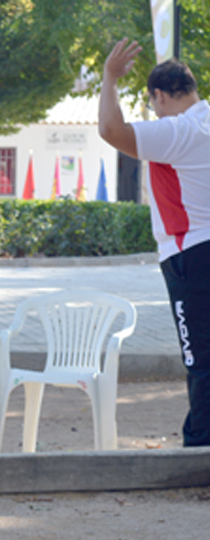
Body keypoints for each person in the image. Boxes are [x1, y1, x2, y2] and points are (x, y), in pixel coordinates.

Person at [99, 39, 210, 447]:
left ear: (160, 95)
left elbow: (111, 130)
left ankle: (200, 449)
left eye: (153, 102)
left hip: (191, 255)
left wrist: (110, 77)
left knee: (201, 359)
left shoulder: (178, 131)